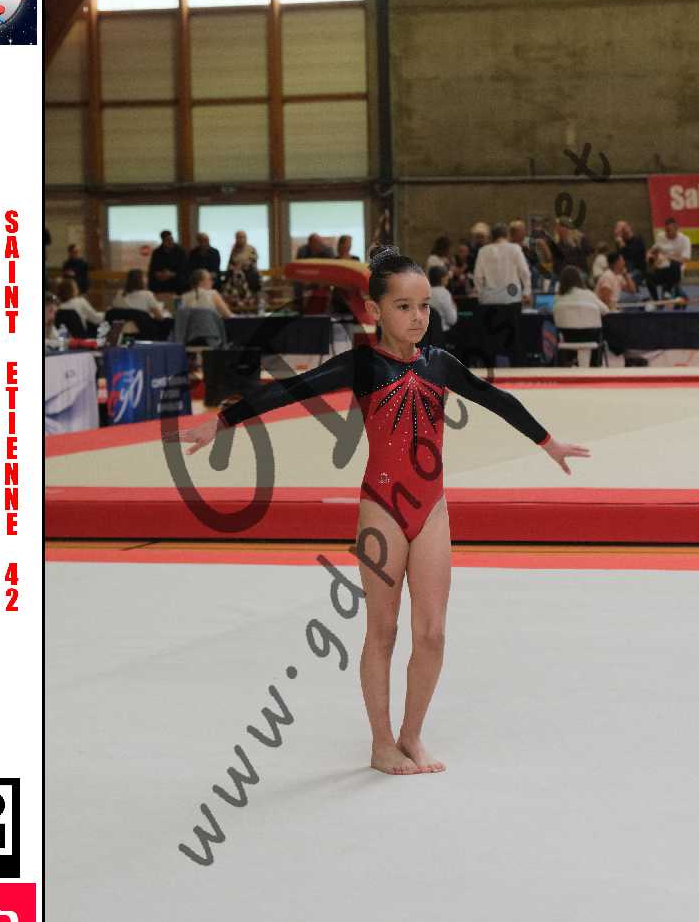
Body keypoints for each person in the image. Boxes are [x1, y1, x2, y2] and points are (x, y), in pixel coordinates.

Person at [177, 245, 590, 776]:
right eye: (403, 306)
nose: (418, 317)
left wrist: (548, 442)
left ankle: (411, 735)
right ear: (375, 310)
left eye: (424, 306)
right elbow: (291, 391)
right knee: (384, 630)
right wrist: (223, 421)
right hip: (382, 509)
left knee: (433, 631)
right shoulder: (362, 365)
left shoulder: (440, 364)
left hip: (431, 508)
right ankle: (380, 743)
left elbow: (494, 398)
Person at [473, 221, 533, 366]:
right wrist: (527, 291)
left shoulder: (483, 251)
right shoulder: (515, 249)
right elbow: (524, 272)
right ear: (506, 234)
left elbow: (478, 277)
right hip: (511, 300)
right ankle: (516, 370)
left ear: (492, 236)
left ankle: (490, 370)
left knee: (491, 340)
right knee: (514, 339)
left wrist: (482, 294)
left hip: (489, 301)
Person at [553, 265, 610, 366]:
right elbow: (605, 310)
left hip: (568, 339)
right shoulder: (588, 294)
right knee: (599, 332)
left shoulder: (558, 298)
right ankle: (594, 366)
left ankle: (567, 363)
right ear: (580, 279)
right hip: (590, 338)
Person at [652, 217, 691, 297]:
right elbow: (654, 250)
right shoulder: (660, 236)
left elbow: (685, 259)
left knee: (674, 265)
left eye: (669, 230)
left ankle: (670, 291)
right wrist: (652, 256)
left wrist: (669, 257)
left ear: (676, 229)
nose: (667, 233)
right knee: (649, 276)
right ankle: (658, 299)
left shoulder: (685, 239)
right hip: (661, 266)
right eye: (666, 230)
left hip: (676, 268)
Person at [148, 230, 189, 296]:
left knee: (182, 280)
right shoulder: (157, 252)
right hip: (161, 280)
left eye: (171, 239)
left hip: (177, 279)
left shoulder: (180, 251)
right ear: (163, 241)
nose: (170, 242)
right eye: (167, 240)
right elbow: (153, 268)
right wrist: (159, 274)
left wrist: (171, 274)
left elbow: (184, 268)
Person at [613, 220, 647, 288]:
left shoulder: (638, 239)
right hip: (626, 271)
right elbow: (619, 258)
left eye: (621, 230)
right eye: (619, 232)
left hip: (638, 271)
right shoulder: (621, 242)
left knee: (622, 280)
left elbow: (632, 256)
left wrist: (621, 243)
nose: (619, 234)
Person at [427, 264, 458, 331]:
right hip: (442, 332)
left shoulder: (425, 292)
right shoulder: (444, 294)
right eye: (447, 276)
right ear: (443, 279)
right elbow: (452, 320)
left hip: (427, 332)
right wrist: (455, 308)